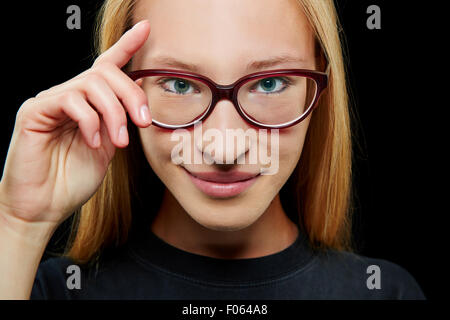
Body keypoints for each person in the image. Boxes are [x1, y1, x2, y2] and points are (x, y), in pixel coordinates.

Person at [0, 0, 425, 300]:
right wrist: (18, 225)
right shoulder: (48, 290)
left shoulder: (386, 294)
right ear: (121, 86)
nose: (225, 146)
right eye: (180, 84)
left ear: (321, 90)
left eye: (269, 83)